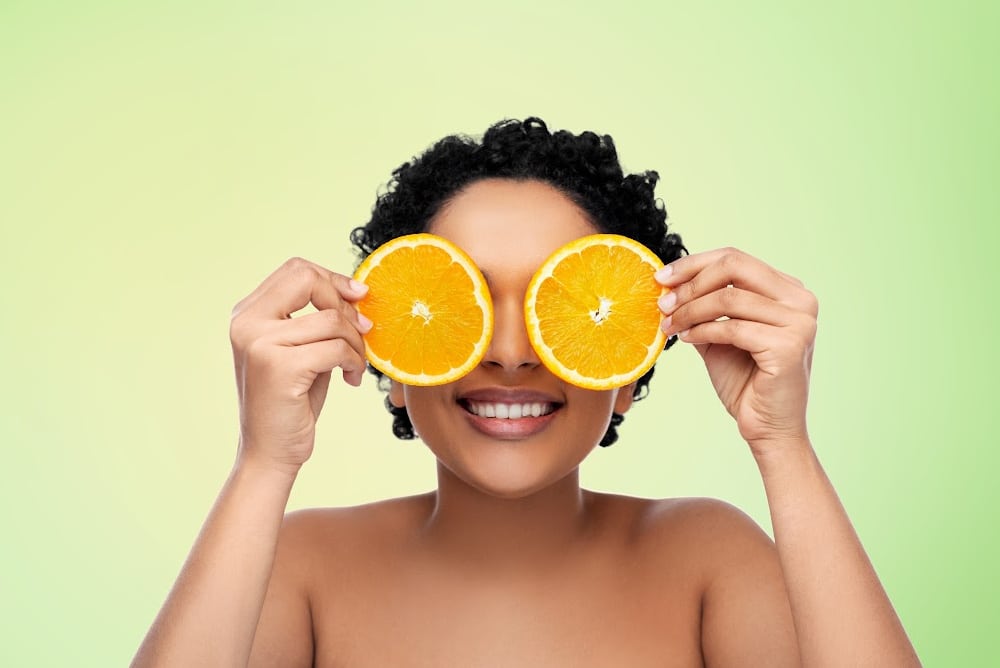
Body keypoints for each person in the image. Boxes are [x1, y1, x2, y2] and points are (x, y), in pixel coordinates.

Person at [132, 118, 920, 666]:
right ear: (393, 365)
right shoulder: (303, 567)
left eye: (559, 312)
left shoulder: (706, 560)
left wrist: (784, 447)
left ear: (627, 376)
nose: (510, 353)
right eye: (466, 307)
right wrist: (262, 465)